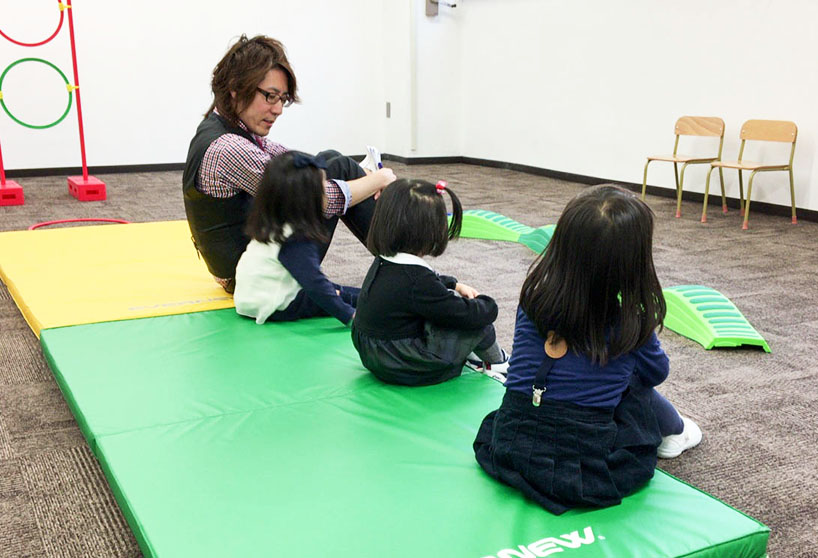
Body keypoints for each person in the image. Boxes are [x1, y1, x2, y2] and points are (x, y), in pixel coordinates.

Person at [473, 185, 702, 515]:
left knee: (608, 377)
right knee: (635, 389)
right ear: (632, 263)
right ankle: (676, 431)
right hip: (581, 461)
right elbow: (656, 374)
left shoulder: (533, 301)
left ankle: (674, 426)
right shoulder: (631, 321)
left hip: (513, 441)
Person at [182, 34, 395, 293]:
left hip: (247, 262)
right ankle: (408, 271)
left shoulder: (224, 125)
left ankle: (404, 268)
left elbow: (289, 159)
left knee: (329, 160)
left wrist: (364, 175)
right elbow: (320, 199)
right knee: (336, 171)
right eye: (270, 97)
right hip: (252, 277)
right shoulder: (229, 148)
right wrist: (378, 180)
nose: (278, 109)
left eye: (282, 99)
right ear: (236, 89)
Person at [351, 179, 510, 386]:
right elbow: (462, 313)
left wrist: (453, 284)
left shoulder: (385, 262)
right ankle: (497, 363)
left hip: (372, 354)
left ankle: (474, 355)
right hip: (403, 363)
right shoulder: (418, 281)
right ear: (430, 232)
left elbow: (420, 288)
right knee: (477, 322)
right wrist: (486, 303)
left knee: (442, 307)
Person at [233, 151, 359, 326]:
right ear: (307, 199)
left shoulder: (273, 225)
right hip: (276, 305)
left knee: (340, 292)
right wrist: (350, 316)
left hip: (251, 298)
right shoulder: (296, 239)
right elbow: (315, 285)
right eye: (323, 187)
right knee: (346, 296)